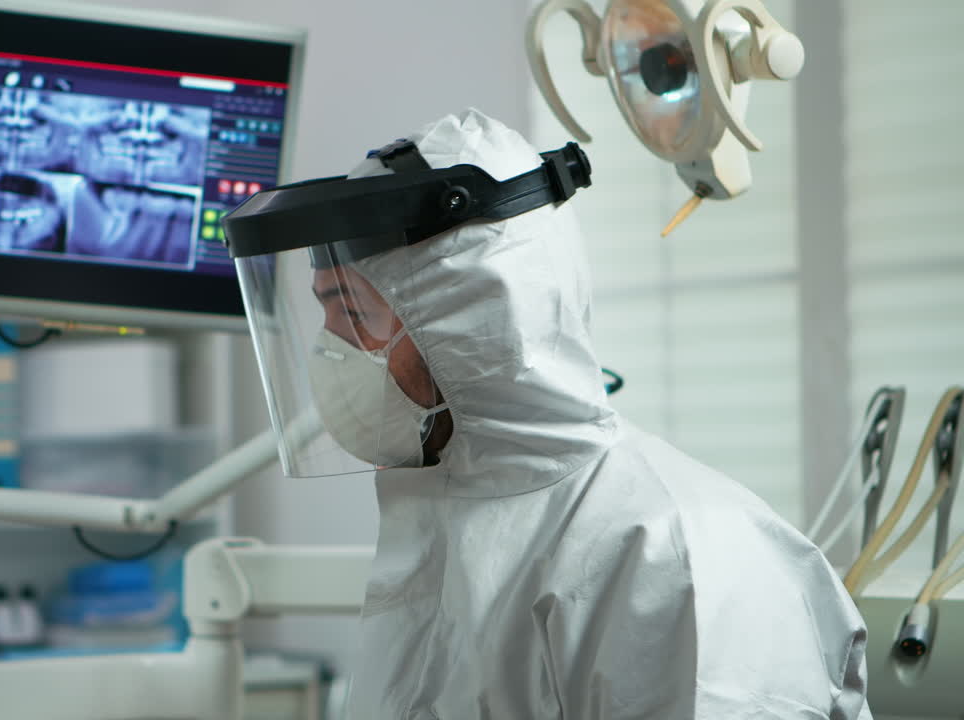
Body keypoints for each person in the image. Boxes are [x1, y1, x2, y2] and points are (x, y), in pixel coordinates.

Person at [224, 108, 871, 718]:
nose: (331, 349)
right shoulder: (452, 521)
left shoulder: (676, 553)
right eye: (328, 314)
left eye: (355, 314)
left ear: (473, 324)